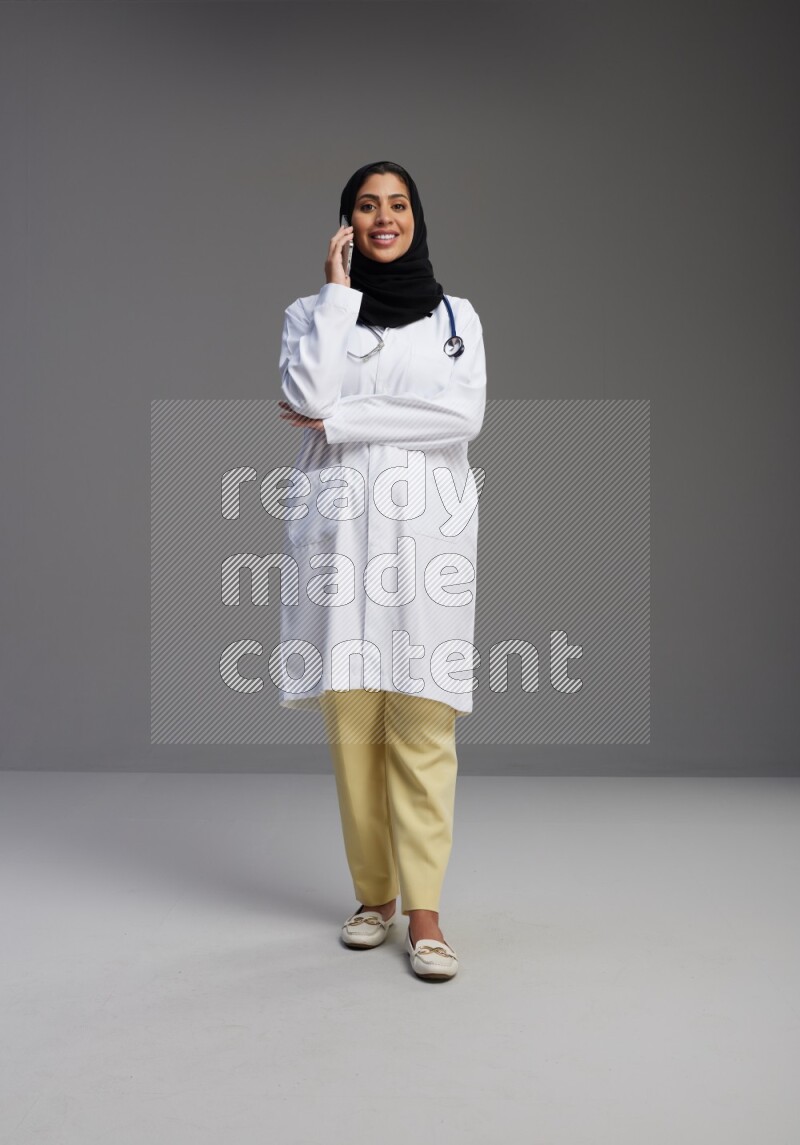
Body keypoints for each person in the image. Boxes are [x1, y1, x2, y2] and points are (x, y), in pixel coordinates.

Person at [276, 161, 486, 980]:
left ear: (416, 218)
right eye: (367, 206)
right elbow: (303, 392)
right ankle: (375, 896)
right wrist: (338, 297)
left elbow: (461, 415)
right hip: (341, 538)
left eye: (397, 205)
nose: (384, 217)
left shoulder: (456, 317)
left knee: (425, 721)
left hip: (425, 539)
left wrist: (342, 419)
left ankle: (426, 912)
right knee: (354, 728)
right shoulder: (310, 314)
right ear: (347, 223)